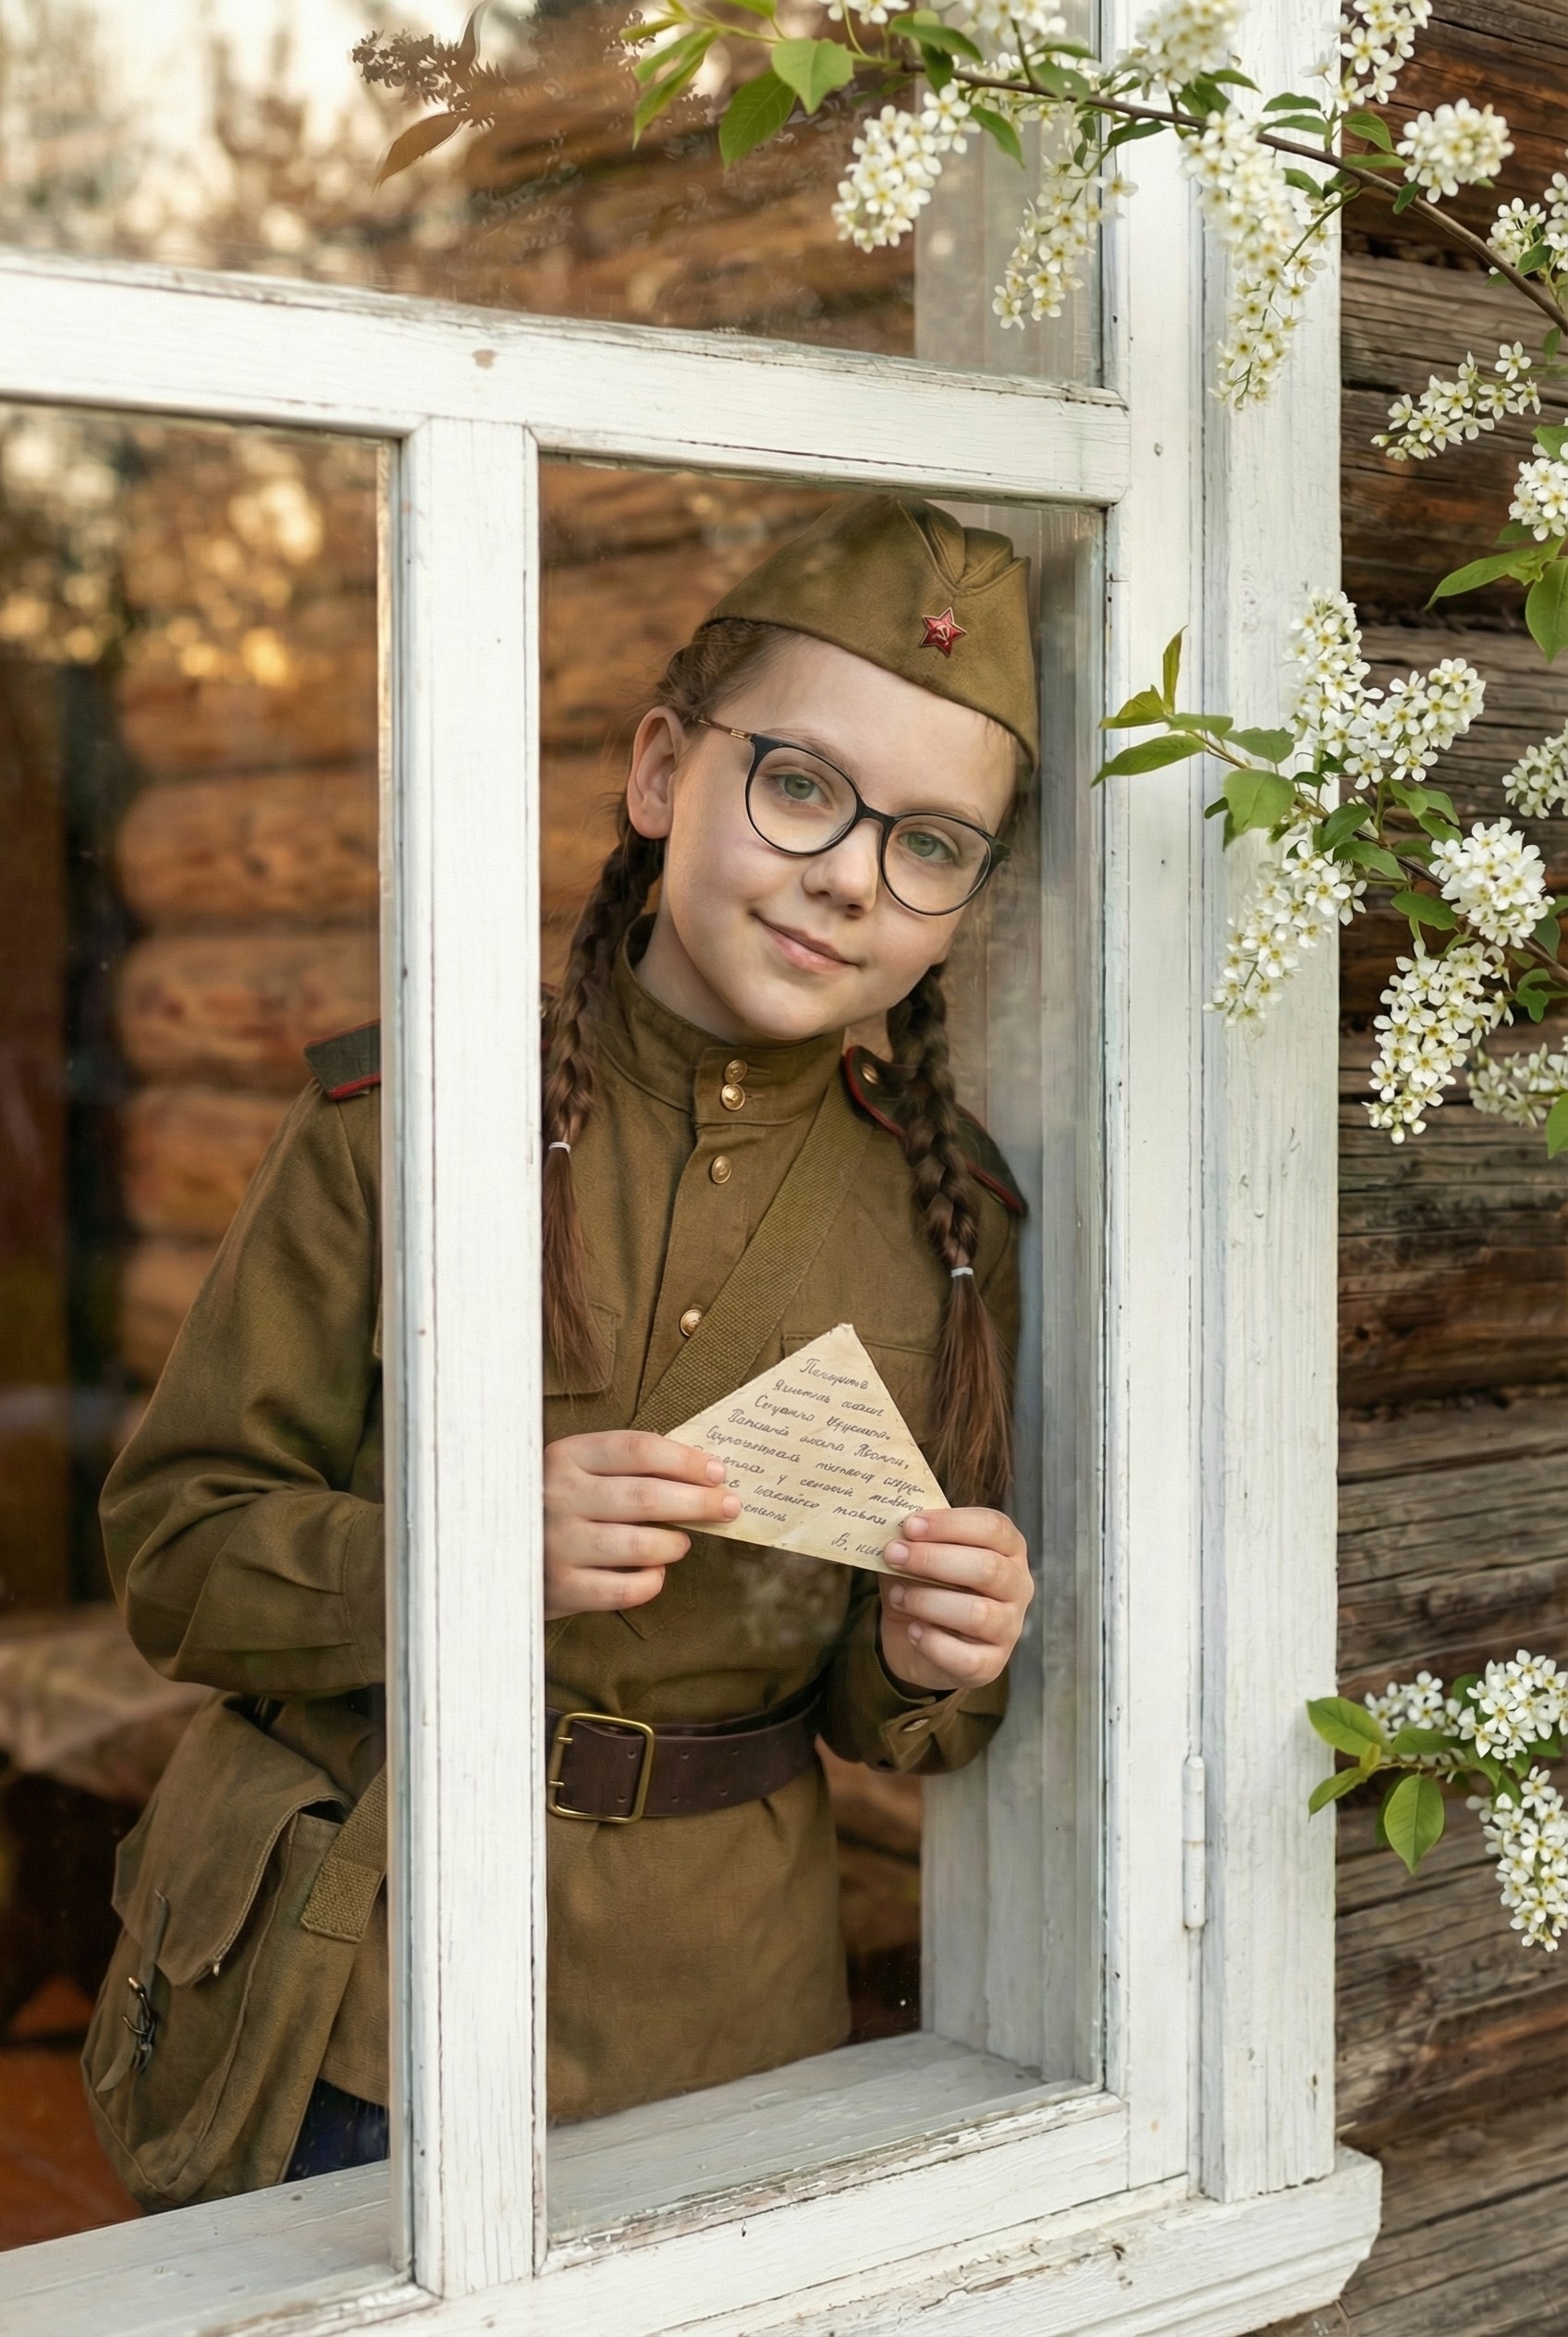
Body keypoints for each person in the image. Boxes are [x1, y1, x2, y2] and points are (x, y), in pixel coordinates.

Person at [97, 494, 1037, 2184]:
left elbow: (887, 1714)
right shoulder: (407, 1123)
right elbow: (175, 1556)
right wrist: (465, 1553)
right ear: (665, 770)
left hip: (726, 2026)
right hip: (365, 1986)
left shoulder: (951, 1226)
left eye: (931, 844)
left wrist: (930, 1655)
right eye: (804, 785)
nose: (846, 873)